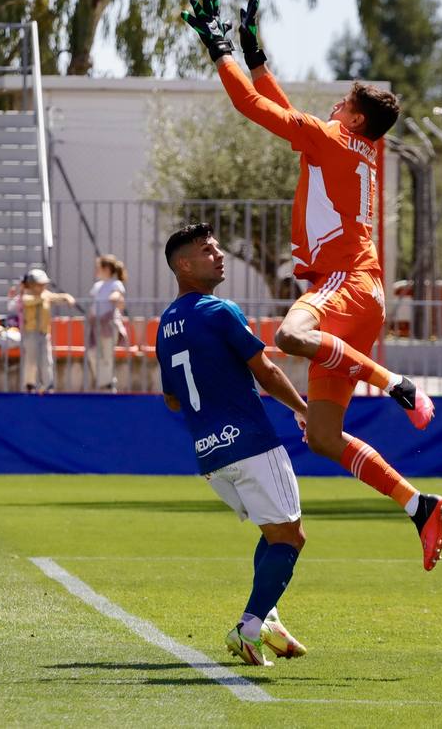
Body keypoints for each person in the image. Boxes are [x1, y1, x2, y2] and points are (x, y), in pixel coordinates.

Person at [183, 0, 442, 570]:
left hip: (343, 282)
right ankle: (418, 504)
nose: (333, 102)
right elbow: (277, 108)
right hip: (365, 292)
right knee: (324, 436)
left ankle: (397, 383)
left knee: (290, 333)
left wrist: (218, 48)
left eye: (343, 99)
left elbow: (254, 110)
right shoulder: (354, 147)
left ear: (353, 116)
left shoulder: (330, 140)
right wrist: (254, 54)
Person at [157, 224, 311, 668]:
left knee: (273, 530)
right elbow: (264, 370)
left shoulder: (166, 323)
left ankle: (270, 622)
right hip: (250, 441)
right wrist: (303, 409)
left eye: (218, 247)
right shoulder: (220, 310)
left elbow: (171, 398)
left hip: (210, 453)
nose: (219, 255)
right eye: (207, 250)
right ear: (184, 265)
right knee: (290, 537)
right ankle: (249, 626)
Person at [11, 268, 74, 393]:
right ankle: (29, 385)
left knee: (46, 360)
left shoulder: (45, 294)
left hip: (44, 333)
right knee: (31, 360)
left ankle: (48, 386)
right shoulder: (26, 296)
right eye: (39, 284)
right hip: (30, 333)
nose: (42, 287)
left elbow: (56, 297)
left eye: (44, 284)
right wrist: (44, 298)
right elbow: (28, 302)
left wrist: (66, 297)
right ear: (31, 284)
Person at [87, 254, 128, 392]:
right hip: (96, 324)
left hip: (108, 324)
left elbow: (117, 296)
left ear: (107, 269)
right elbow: (94, 303)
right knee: (92, 353)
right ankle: (105, 381)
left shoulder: (115, 284)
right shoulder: (97, 286)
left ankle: (107, 385)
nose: (96, 270)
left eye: (99, 268)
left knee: (107, 355)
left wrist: (115, 297)